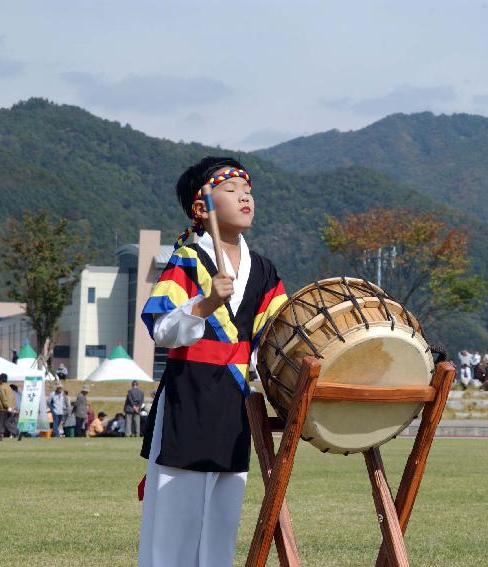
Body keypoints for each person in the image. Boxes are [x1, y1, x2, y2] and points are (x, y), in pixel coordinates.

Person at [138, 156, 288, 567]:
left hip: (236, 397)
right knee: (177, 511)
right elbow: (162, 329)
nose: (245, 196)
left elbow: (279, 333)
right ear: (201, 208)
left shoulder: (263, 269)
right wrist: (205, 304)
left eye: (248, 190)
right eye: (231, 189)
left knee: (224, 511)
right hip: (190, 393)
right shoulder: (188, 259)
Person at [0, 373, 16, 442]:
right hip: (9, 408)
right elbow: (12, 398)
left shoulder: (1, 387)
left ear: (1, 380)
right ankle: (17, 432)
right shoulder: (9, 387)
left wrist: (7, 406)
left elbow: (3, 399)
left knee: (0, 423)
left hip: (2, 408)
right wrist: (11, 407)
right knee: (7, 423)